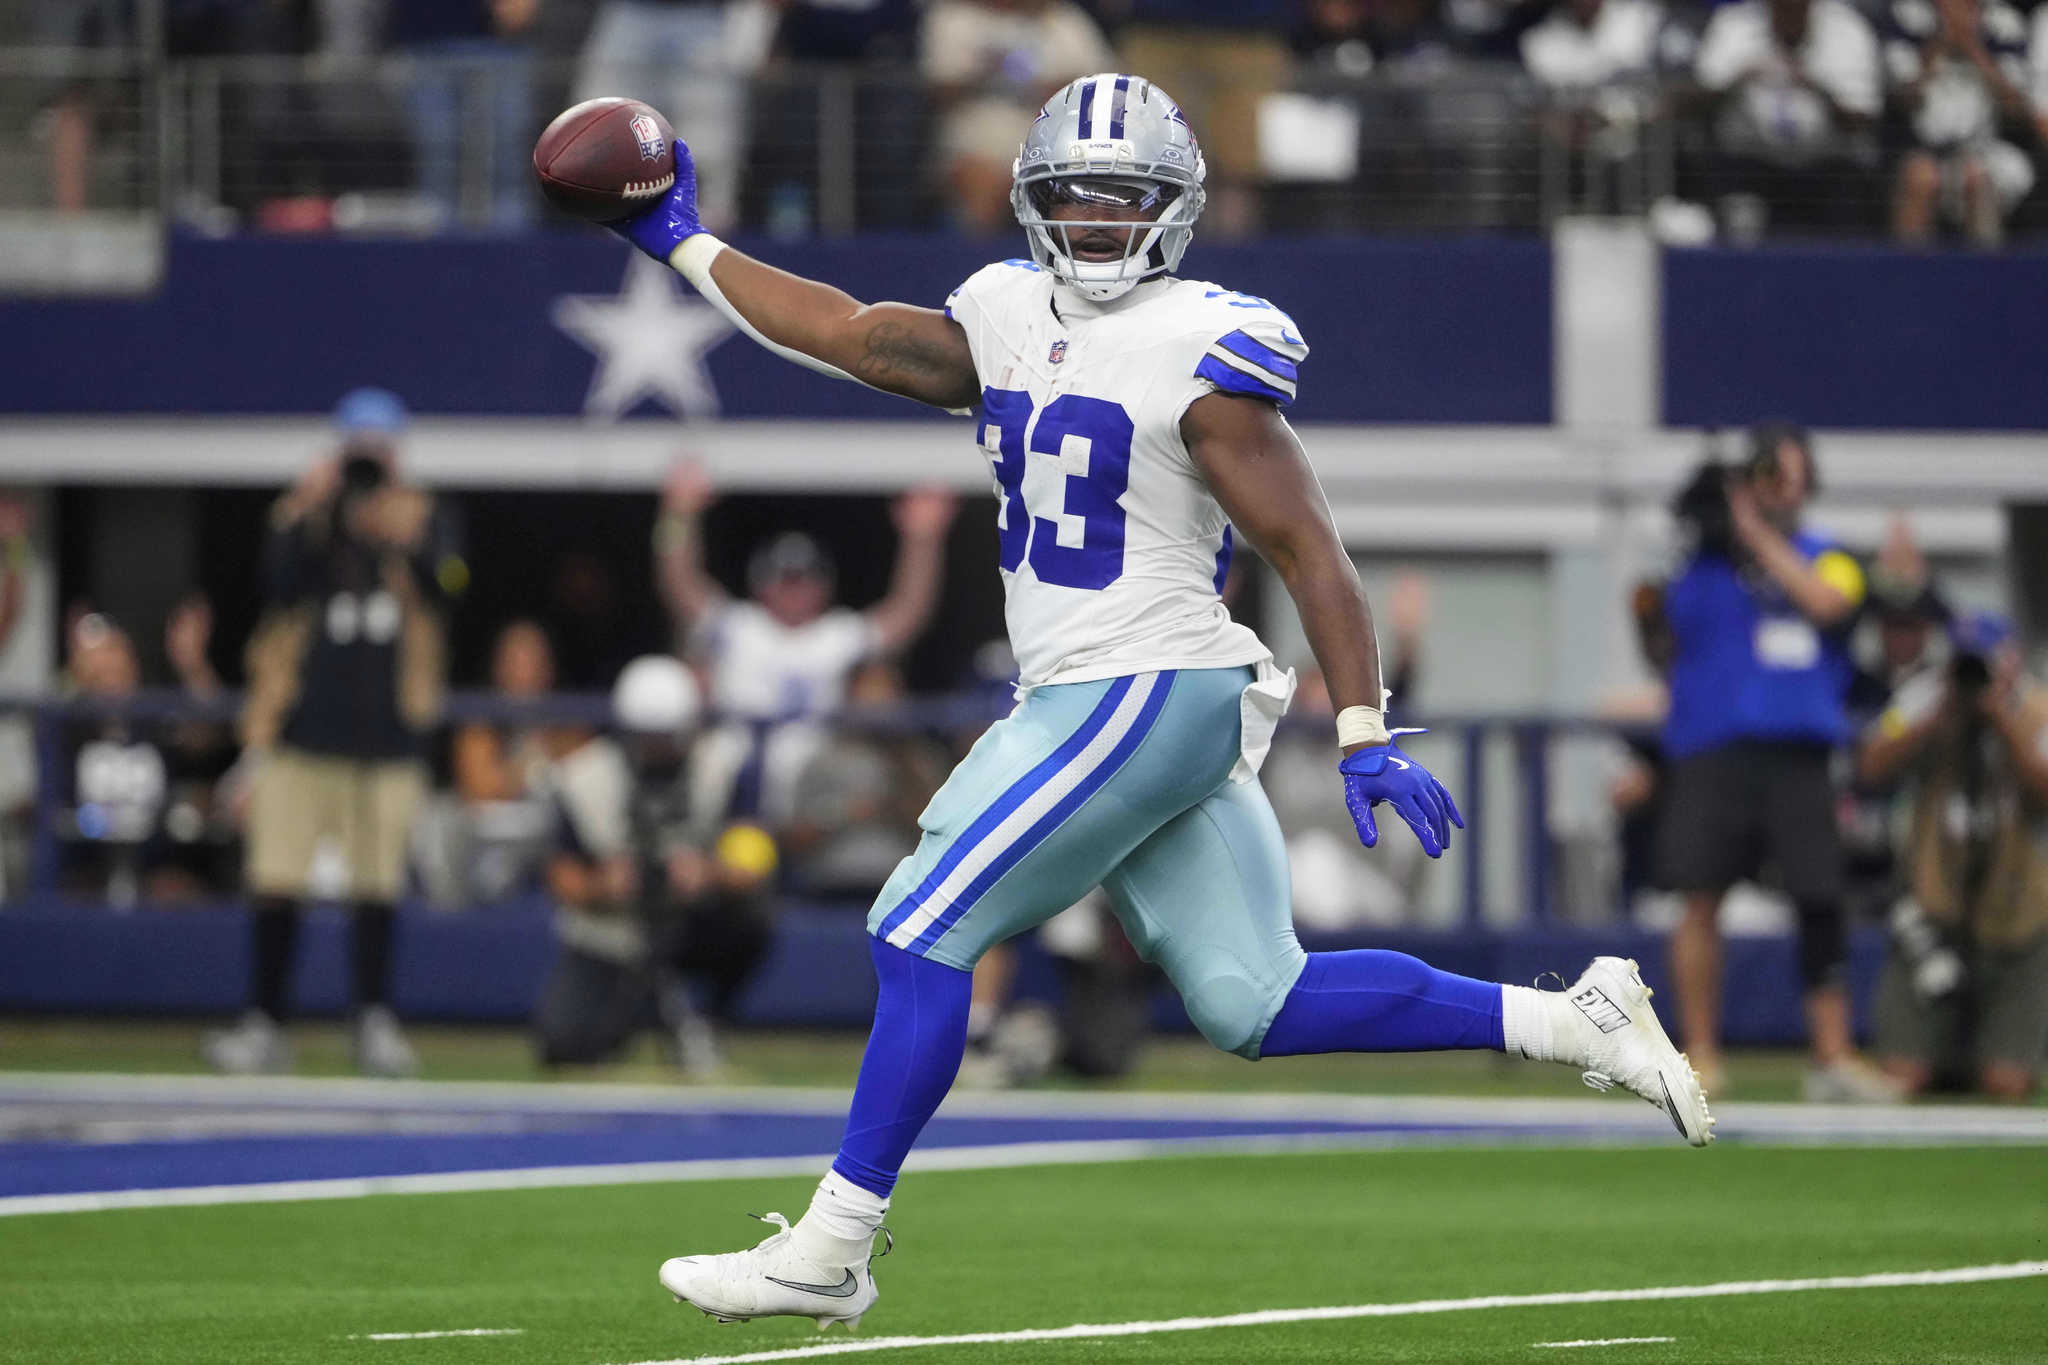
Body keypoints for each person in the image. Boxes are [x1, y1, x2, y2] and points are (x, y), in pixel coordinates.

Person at [605, 73, 1712, 1330]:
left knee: (917, 930)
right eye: (1068, 195)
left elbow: (1310, 550)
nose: (1088, 221)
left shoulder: (1203, 339)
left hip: (1139, 682)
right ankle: (1577, 1021)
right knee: (1255, 1000)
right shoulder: (1006, 310)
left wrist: (1360, 729)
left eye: (1117, 198)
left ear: (1171, 208)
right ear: (1032, 202)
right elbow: (850, 330)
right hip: (1112, 697)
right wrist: (680, 240)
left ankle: (832, 1245)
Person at [205, 388, 465, 1078]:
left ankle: (374, 1018)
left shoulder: (428, 517)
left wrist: (407, 546)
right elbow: (276, 588)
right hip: (303, 728)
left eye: (379, 452)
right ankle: (264, 1019)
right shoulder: (305, 516)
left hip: (389, 732)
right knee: (277, 879)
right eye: (359, 451)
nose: (369, 467)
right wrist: (314, 509)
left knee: (377, 885)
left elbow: (454, 588)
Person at [1655, 422, 1892, 1102]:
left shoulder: (1830, 555)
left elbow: (1830, 604)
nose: (1774, 487)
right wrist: (1714, 531)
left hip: (1800, 754)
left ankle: (1833, 1056)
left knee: (1821, 900)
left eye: (1785, 474)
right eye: (1763, 474)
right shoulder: (1704, 565)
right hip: (1714, 749)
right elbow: (1669, 627)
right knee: (1699, 897)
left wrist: (1758, 533)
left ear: (1806, 484)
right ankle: (1699, 1052)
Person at [654, 461, 955, 827]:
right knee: (709, 757)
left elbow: (907, 614)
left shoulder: (837, 635)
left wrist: (923, 540)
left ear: (825, 586)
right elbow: (680, 583)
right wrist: (677, 517)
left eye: (806, 579)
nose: (795, 589)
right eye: (785, 578)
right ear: (761, 583)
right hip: (733, 771)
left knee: (855, 771)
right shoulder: (739, 624)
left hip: (814, 783)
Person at [533, 655, 776, 1074]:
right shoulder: (584, 776)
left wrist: (707, 873)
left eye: (667, 735)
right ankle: (632, 1023)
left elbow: (751, 861)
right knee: (563, 1043)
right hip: (612, 931)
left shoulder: (725, 764)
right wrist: (602, 886)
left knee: (751, 919)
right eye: (649, 736)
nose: (659, 747)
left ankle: (706, 1021)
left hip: (690, 923)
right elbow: (561, 875)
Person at [1857, 613, 2048, 1100]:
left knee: (2007, 1085)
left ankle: (1977, 1055)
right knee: (1904, 1077)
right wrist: (1937, 720)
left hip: (2013, 917)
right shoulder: (1923, 698)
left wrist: (2001, 718)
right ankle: (1947, 1055)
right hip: (1932, 913)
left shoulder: (2034, 707)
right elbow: (1870, 766)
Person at [1883, 0, 2042, 246]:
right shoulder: (1908, 15)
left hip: (1985, 148)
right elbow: (1902, 100)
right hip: (1921, 148)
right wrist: (1937, 46)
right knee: (1921, 176)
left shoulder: (2003, 23)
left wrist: (1973, 49)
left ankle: (1985, 276)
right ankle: (1907, 277)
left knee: (1976, 178)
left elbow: (2017, 108)